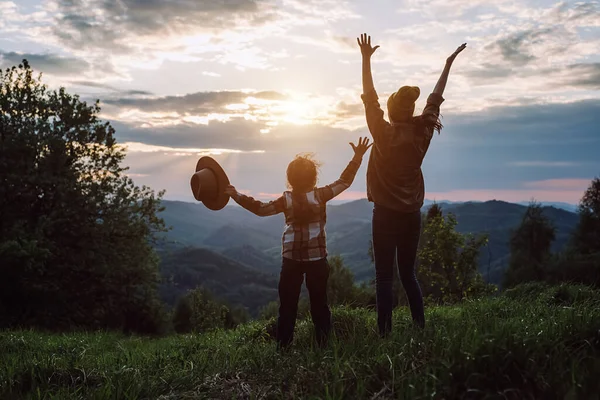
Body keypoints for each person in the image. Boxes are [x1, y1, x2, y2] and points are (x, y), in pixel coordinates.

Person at [356, 33, 467, 336]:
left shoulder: (382, 132)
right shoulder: (424, 133)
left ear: (389, 112)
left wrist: (365, 59)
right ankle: (420, 330)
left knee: (383, 277)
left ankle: (384, 336)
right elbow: (435, 98)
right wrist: (447, 65)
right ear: (410, 111)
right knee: (408, 275)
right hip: (411, 216)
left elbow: (369, 96)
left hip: (385, 214)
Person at [225, 137, 373, 348]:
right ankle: (323, 346)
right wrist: (357, 157)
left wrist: (236, 195)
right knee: (320, 305)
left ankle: (283, 348)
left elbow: (260, 209)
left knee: (287, 307)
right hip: (317, 259)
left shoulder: (286, 200)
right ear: (314, 178)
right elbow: (344, 181)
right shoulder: (321, 195)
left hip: (291, 259)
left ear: (290, 179)